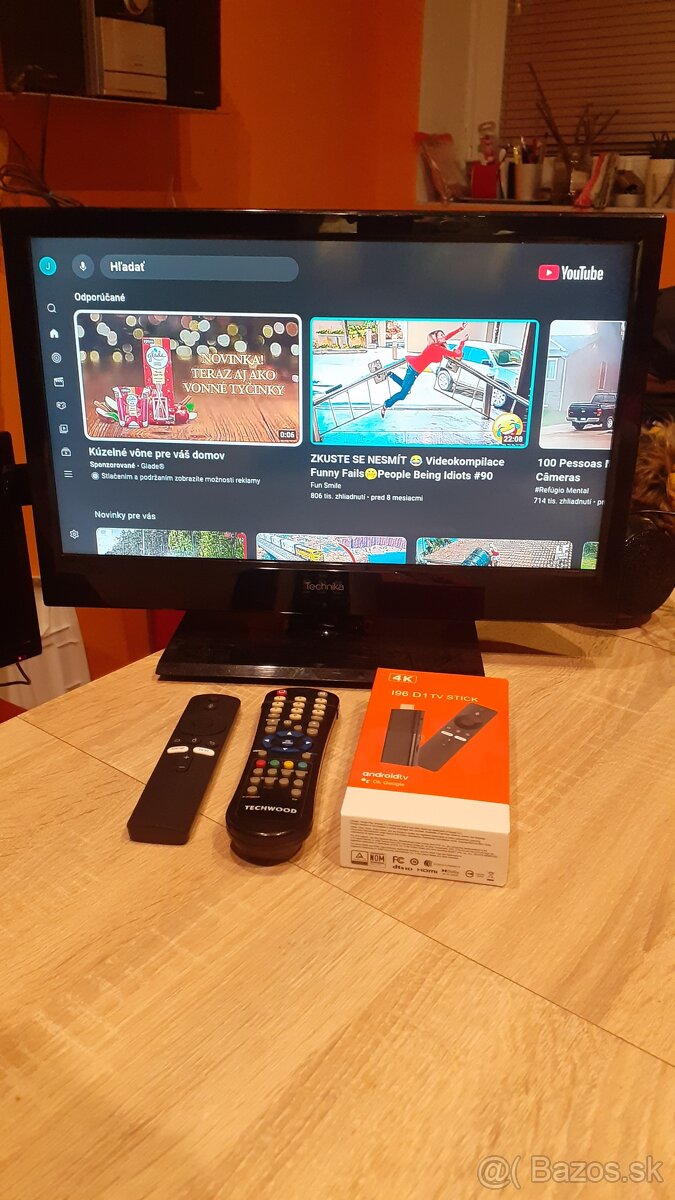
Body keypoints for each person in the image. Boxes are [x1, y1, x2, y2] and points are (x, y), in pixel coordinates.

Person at [380, 323, 468, 417]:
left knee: (405, 388)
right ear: (436, 339)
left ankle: (390, 374)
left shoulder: (437, 344)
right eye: (441, 335)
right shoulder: (436, 348)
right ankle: (386, 404)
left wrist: (460, 328)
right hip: (413, 370)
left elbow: (448, 336)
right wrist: (462, 342)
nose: (444, 336)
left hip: (414, 369)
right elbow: (456, 354)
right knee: (403, 395)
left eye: (443, 334)